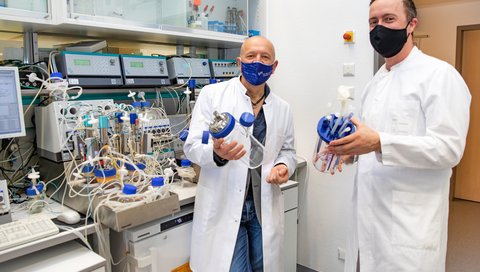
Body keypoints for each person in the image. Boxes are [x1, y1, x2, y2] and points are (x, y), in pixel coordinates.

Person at [328, 0, 471, 271]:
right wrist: (348, 152)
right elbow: (367, 142)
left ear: (411, 25)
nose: (379, 28)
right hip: (368, 218)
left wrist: (380, 142)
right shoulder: (375, 81)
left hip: (410, 226)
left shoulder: (440, 76)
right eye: (373, 22)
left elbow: (449, 149)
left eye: (389, 19)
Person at [184, 36, 296, 272]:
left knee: (261, 266)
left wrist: (284, 166)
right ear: (239, 62)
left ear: (274, 66)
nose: (258, 62)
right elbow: (192, 146)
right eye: (251, 56)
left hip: (262, 205)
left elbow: (287, 150)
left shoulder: (283, 108)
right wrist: (217, 153)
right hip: (223, 203)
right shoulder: (212, 95)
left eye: (265, 57)